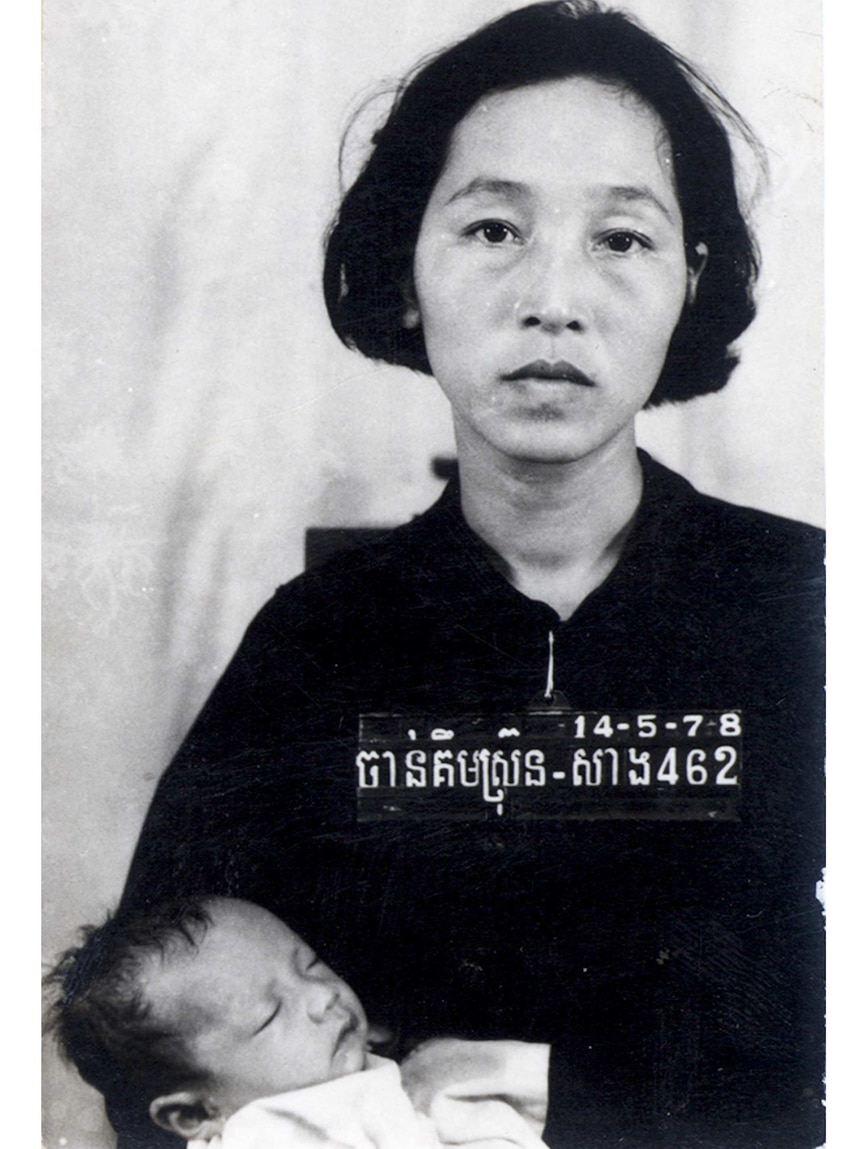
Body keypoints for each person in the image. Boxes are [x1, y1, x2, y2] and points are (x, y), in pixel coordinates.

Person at [119, 3, 825, 1146]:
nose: (554, 297)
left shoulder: (811, 607)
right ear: (405, 270)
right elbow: (153, 1041)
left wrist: (571, 1084)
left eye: (621, 239)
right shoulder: (317, 640)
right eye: (493, 230)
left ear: (690, 282)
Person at [45, 896, 551, 1149]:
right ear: (196, 1114)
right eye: (269, 1016)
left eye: (311, 966)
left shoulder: (351, 1074)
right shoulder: (269, 1134)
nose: (321, 997)